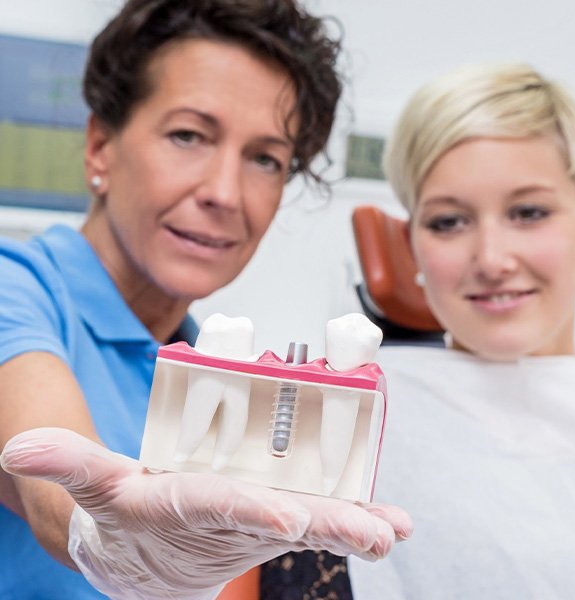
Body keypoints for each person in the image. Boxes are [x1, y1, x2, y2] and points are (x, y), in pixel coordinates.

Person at [0, 1, 412, 599]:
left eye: (265, 158)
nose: (224, 192)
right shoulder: (16, 293)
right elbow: (50, 493)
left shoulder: (202, 367)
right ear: (99, 147)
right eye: (188, 135)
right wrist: (109, 540)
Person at [348, 62, 575, 599]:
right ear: (413, 246)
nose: (491, 259)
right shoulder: (347, 417)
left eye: (528, 212)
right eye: (449, 222)